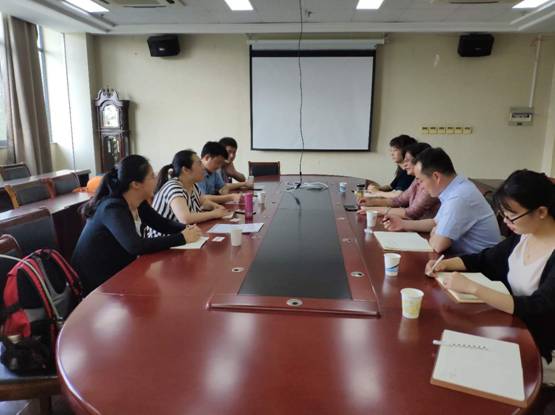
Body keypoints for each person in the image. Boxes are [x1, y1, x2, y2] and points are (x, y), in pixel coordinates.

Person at [424, 170, 555, 376]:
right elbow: (485, 259)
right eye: (503, 215)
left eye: (511, 216)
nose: (506, 223)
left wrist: (473, 288)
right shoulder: (525, 235)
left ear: (541, 212)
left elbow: (538, 307)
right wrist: (445, 264)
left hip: (540, 345)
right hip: (511, 327)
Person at [72, 155, 202, 295]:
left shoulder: (138, 202)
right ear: (136, 184)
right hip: (97, 282)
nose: (156, 179)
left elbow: (162, 224)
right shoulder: (112, 208)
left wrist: (187, 229)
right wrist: (182, 238)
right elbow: (135, 246)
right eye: (152, 177)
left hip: (118, 271)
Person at [383, 147, 501, 255]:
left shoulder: (459, 197)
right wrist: (402, 224)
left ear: (436, 177)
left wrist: (436, 232)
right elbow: (435, 222)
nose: (421, 186)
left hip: (478, 266)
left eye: (421, 180)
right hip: (460, 258)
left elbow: (438, 245)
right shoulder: (456, 187)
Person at [148, 150, 231, 237]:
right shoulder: (174, 187)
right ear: (186, 170)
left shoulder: (193, 185)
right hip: (164, 239)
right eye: (199, 164)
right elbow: (185, 219)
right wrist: (214, 214)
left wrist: (215, 206)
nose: (203, 167)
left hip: (183, 235)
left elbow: (203, 202)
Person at [357, 143, 439, 220]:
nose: (404, 164)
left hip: (420, 228)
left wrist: (374, 210)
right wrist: (371, 202)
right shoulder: (416, 179)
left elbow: (412, 213)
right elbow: (399, 200)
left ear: (420, 162)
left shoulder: (430, 183)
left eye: (407, 160)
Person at [366, 134, 418, 198]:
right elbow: (391, 187)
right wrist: (377, 188)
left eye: (395, 150)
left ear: (406, 152)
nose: (391, 154)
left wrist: (377, 192)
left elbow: (398, 195)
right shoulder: (402, 170)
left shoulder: (409, 172)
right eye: (391, 150)